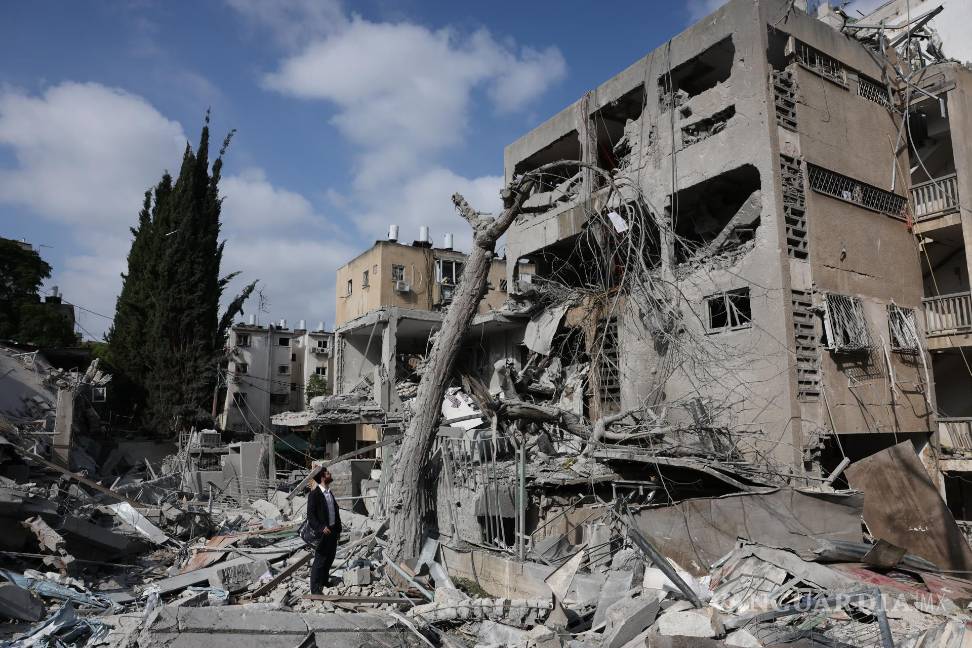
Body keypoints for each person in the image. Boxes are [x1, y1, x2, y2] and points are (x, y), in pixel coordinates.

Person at [307, 468, 342, 594]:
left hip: (332, 531)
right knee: (320, 560)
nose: (330, 474)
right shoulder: (314, 494)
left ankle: (324, 581)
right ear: (322, 477)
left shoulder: (329, 492)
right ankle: (315, 590)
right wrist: (321, 527)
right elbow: (310, 516)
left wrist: (338, 530)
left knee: (330, 558)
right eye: (327, 473)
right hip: (323, 533)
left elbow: (334, 512)